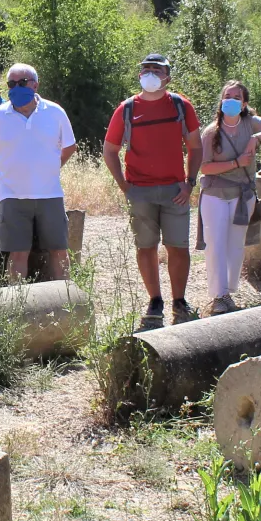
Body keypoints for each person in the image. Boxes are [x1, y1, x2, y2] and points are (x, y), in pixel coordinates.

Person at [104, 54, 204, 326]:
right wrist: (124, 185)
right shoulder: (126, 109)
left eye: (156, 69)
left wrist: (190, 182)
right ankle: (155, 301)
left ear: (167, 76)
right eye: (146, 69)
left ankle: (179, 302)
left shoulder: (181, 106)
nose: (150, 73)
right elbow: (110, 150)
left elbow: (196, 147)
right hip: (140, 192)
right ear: (139, 76)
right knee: (145, 247)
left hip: (176, 191)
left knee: (178, 247)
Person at [0, 63, 76, 280]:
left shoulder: (55, 112)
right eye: (11, 84)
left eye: (22, 82)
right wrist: (6, 168)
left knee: (59, 251)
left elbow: (70, 146)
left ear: (35, 85)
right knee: (18, 253)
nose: (16, 88)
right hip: (12, 195)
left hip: (50, 194)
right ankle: (18, 307)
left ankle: (65, 303)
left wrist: (53, 167)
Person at [197, 81, 261, 315]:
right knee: (215, 245)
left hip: (243, 195)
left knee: (236, 246)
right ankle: (219, 296)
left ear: (244, 103)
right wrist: (235, 164)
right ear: (221, 100)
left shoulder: (250, 123)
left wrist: (257, 138)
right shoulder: (211, 132)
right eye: (227, 95)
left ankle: (228, 292)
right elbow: (205, 168)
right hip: (215, 195)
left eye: (237, 97)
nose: (231, 100)